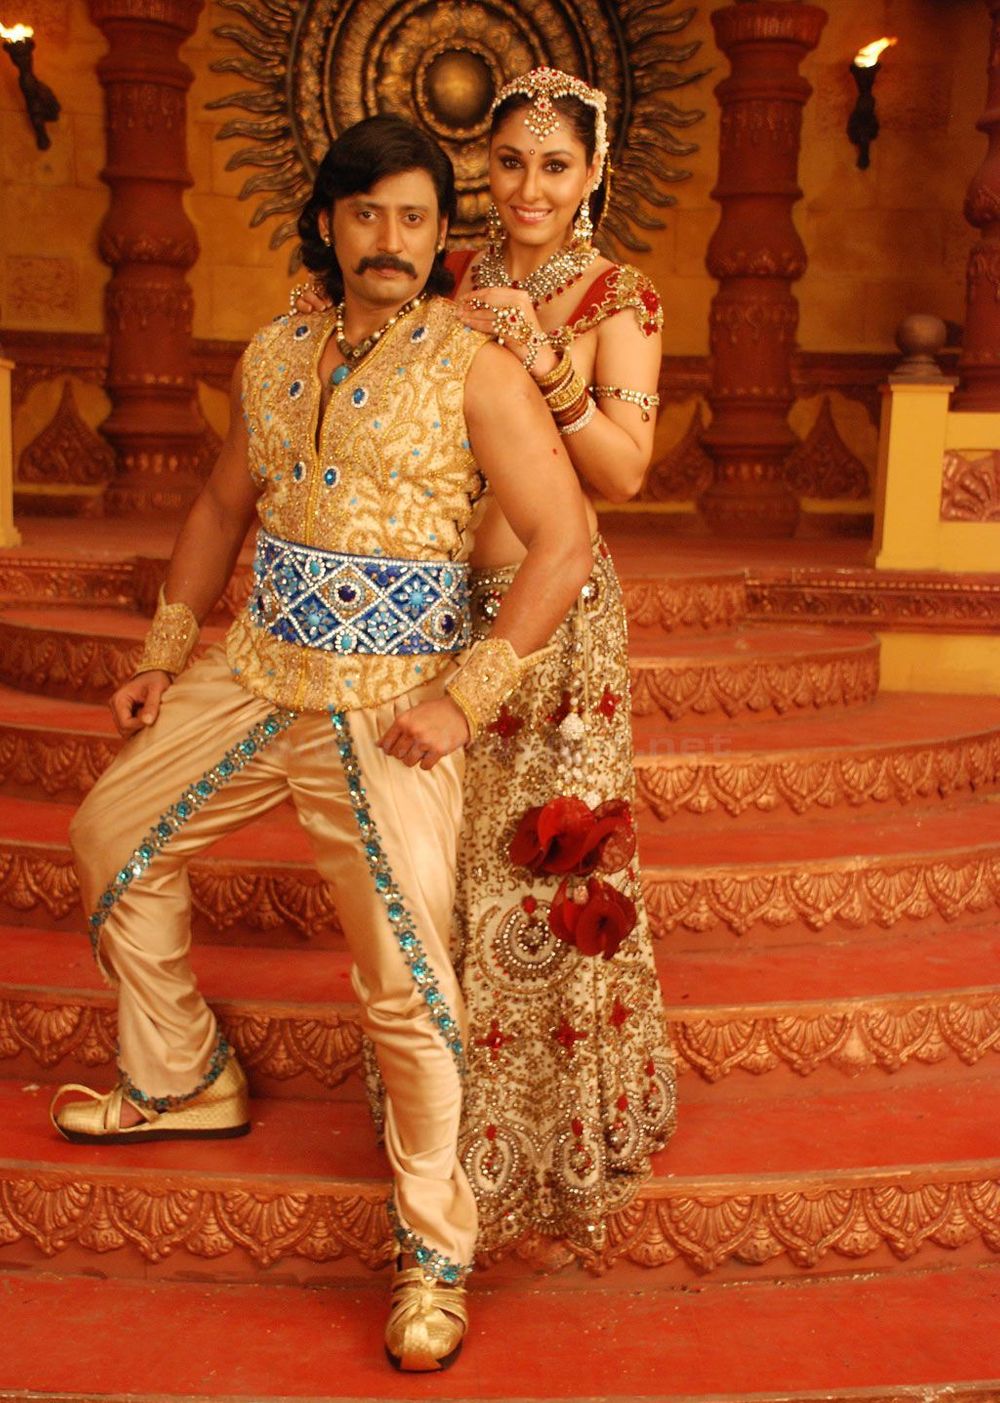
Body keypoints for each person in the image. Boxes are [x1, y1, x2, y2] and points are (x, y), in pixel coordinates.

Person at [50, 113, 593, 1371]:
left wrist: (466, 695)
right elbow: (218, 503)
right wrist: (163, 650)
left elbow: (562, 542)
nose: (388, 239)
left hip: (391, 704)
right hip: (253, 674)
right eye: (366, 214)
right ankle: (182, 1074)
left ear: (439, 235)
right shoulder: (278, 349)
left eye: (413, 218)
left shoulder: (476, 369)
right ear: (329, 223)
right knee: (110, 834)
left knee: (405, 981)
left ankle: (435, 1252)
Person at [294, 69, 677, 1262]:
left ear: (594, 173)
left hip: (550, 627)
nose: (528, 187)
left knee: (543, 867)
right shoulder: (446, 277)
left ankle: (555, 1131)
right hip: (436, 616)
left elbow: (623, 473)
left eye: (555, 165)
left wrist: (546, 364)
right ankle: (443, 1122)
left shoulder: (621, 296)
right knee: (440, 867)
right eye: (509, 162)